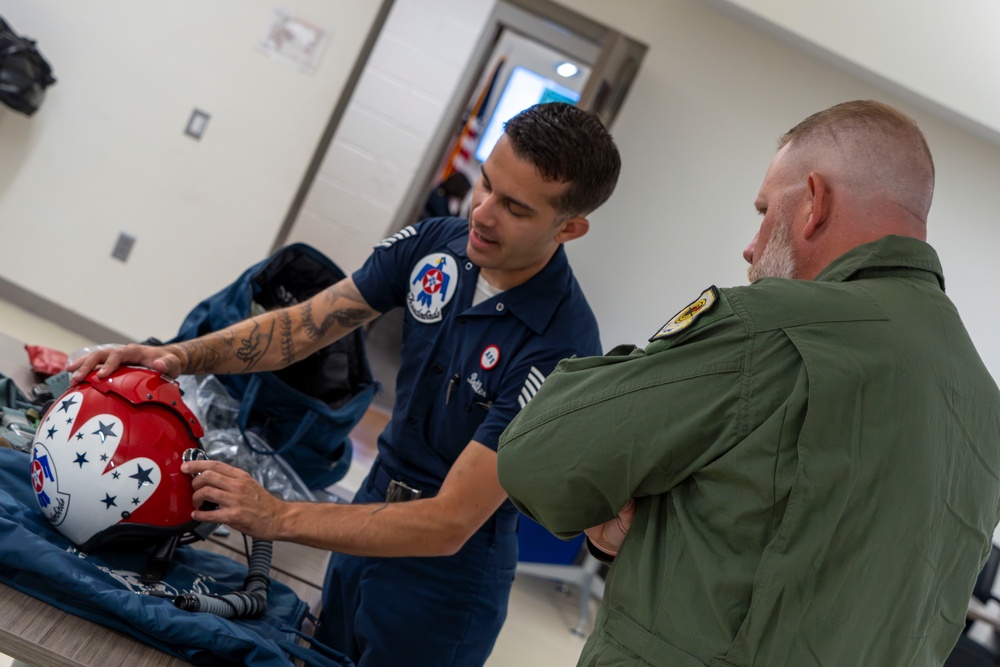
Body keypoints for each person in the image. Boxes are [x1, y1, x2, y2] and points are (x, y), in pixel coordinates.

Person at [68, 101, 621, 667]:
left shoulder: (563, 347)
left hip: (445, 578)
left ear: (569, 227)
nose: (482, 211)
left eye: (515, 207)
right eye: (485, 182)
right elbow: (303, 326)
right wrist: (176, 357)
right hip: (369, 511)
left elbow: (451, 521)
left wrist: (277, 515)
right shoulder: (438, 245)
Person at [496, 100, 1000, 666]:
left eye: (764, 210)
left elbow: (538, 457)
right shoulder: (984, 406)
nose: (751, 245)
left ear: (813, 202)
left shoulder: (775, 326)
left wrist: (638, 516)